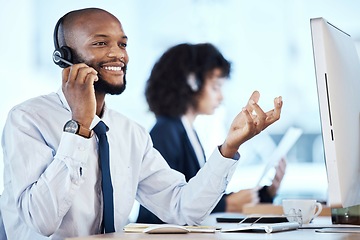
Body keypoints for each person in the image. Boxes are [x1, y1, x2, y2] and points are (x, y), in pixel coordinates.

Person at [0, 7, 283, 240]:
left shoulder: (130, 133)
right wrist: (80, 127)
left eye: (122, 44)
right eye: (101, 43)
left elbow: (183, 208)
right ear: (65, 58)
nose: (118, 54)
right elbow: (42, 221)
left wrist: (229, 147)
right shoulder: (27, 119)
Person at [136, 43, 286, 224]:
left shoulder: (187, 130)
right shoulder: (166, 132)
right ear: (192, 83)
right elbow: (164, 207)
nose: (221, 97)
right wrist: (226, 205)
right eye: (215, 87)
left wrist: (265, 194)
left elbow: (197, 193)